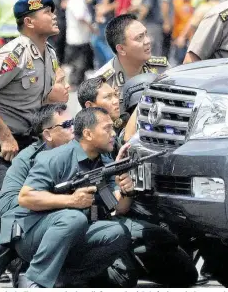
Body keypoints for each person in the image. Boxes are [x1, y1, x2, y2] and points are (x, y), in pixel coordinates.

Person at [0, 0, 68, 281]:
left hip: (24, 140)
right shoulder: (15, 53)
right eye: (47, 12)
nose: (53, 15)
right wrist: (4, 136)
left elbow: (37, 98)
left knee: (25, 200)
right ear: (29, 21)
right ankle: (2, 265)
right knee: (13, 202)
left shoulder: (48, 54)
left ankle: (2, 262)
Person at [78, 76, 199, 287]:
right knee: (122, 278)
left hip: (118, 217)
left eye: (116, 95)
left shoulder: (114, 137)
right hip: (89, 227)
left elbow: (120, 204)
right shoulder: (84, 144)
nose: (116, 100)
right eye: (108, 97)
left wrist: (127, 191)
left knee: (185, 274)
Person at [8, 107, 136, 288]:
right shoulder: (55, 158)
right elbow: (26, 197)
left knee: (117, 232)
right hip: (33, 237)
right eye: (107, 129)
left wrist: (126, 191)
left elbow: (118, 207)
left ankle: (65, 280)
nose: (113, 133)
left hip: (71, 236)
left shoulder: (103, 162)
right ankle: (35, 280)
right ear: (87, 134)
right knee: (73, 217)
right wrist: (71, 201)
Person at [0, 102, 75, 288]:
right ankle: (19, 268)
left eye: (73, 122)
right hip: (21, 229)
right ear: (47, 134)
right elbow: (6, 204)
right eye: (66, 125)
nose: (73, 129)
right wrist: (49, 202)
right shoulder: (28, 157)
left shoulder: (80, 150)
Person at [89, 13, 170, 143]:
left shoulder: (161, 68)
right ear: (121, 49)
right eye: (139, 38)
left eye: (145, 34)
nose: (148, 41)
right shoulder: (102, 82)